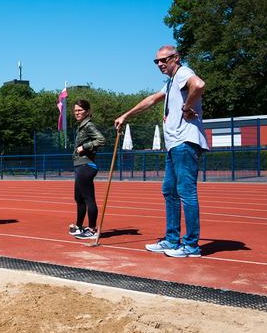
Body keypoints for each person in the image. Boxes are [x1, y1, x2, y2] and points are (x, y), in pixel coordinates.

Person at [115, 45, 208, 258]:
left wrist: (186, 107)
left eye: (163, 60)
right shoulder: (170, 82)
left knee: (186, 192)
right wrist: (126, 115)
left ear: (176, 58)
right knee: (169, 191)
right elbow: (150, 100)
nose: (159, 64)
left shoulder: (184, 73)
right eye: (156, 61)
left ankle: (192, 246)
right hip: (174, 144)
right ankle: (172, 239)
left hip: (186, 142)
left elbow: (199, 84)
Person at [69, 99, 106, 240]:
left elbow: (101, 140)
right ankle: (79, 226)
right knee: (79, 198)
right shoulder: (81, 126)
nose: (77, 113)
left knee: (88, 198)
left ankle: (92, 229)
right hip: (80, 165)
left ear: (87, 111)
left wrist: (84, 147)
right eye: (75, 110)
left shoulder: (89, 125)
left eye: (80, 110)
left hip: (86, 165)